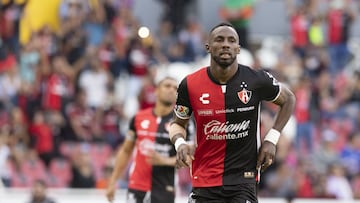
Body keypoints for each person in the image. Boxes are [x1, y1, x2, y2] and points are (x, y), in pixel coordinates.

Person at [169, 22, 296, 203]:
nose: (226, 44)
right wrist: (180, 143)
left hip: (243, 180)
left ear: (238, 48)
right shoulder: (190, 85)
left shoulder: (256, 80)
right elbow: (177, 124)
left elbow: (288, 99)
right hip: (204, 179)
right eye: (219, 40)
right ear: (208, 47)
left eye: (231, 41)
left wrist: (271, 139)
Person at [106, 76, 186, 203]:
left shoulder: (182, 123)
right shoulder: (139, 117)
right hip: (136, 187)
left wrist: (164, 160)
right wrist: (113, 181)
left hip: (165, 189)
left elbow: (188, 158)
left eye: (175, 88)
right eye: (167, 86)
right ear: (156, 91)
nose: (171, 90)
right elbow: (126, 151)